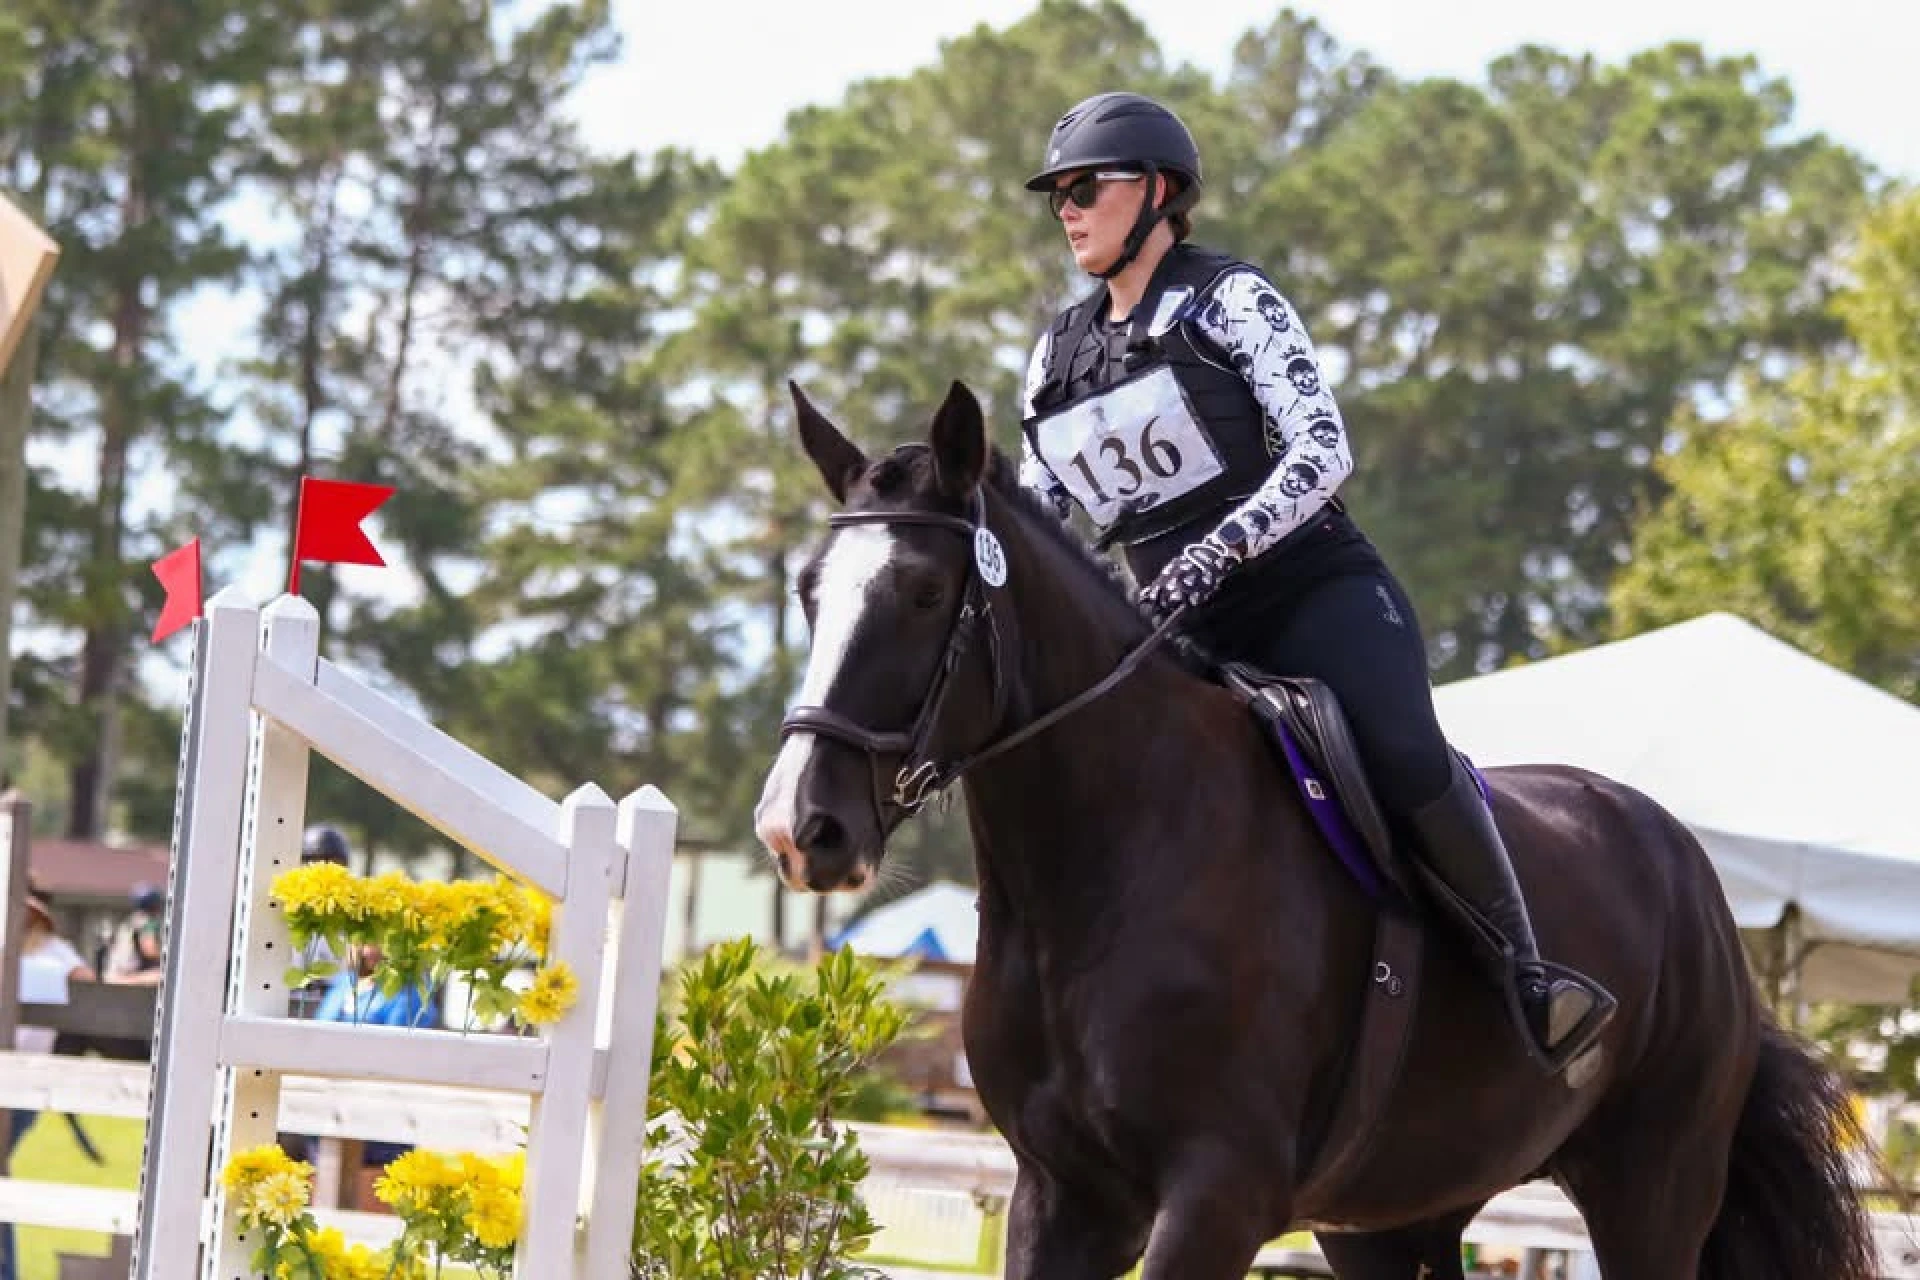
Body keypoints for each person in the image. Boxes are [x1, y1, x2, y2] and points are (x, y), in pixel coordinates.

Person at [1013, 90, 1615, 1074]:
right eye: (1057, 196)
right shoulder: (1057, 354)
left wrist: (1221, 546)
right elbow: (1047, 513)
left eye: (1086, 187)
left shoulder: (1232, 300)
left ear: (1158, 193)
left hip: (1306, 594)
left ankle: (1525, 972)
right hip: (1178, 634)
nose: (1067, 209)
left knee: (1403, 746)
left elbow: (1323, 449)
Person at [101, 883, 166, 985]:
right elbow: (150, 950)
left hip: (112, 976)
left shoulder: (130, 921)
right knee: (164, 976)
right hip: (125, 977)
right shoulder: (147, 922)